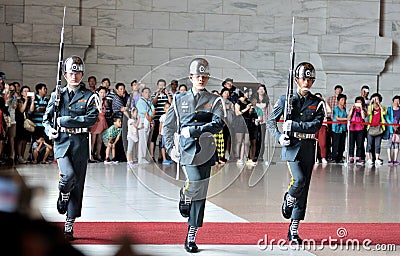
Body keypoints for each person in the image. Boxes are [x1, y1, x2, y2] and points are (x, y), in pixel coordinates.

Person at [163, 58, 224, 253]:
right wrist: (171, 147)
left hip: (206, 150)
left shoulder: (214, 100)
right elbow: (169, 125)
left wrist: (195, 130)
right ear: (191, 77)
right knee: (195, 183)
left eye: (204, 76)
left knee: (202, 193)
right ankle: (185, 193)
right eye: (198, 76)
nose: (201, 79)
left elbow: (217, 124)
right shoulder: (179, 99)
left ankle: (191, 235)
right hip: (186, 149)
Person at [43, 55, 99, 241]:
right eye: (70, 72)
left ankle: (69, 225)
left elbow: (91, 119)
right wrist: (50, 129)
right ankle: (63, 194)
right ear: (65, 74)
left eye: (77, 72)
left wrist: (66, 120)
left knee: (78, 184)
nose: (74, 76)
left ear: (82, 74)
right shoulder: (56, 95)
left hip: (80, 143)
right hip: (62, 142)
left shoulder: (90, 96)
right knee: (68, 176)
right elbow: (47, 118)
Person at [267, 62, 324, 244]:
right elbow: (270, 121)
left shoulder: (317, 102)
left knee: (304, 187)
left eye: (309, 79)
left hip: (308, 146)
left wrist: (295, 125)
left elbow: (316, 125)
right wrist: (278, 137)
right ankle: (289, 198)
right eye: (303, 78)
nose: (306, 82)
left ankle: (293, 229)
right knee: (298, 180)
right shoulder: (286, 100)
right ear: (296, 80)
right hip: (291, 146)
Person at [150, 79, 172, 162]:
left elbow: (171, 103)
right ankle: (152, 155)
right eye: (160, 85)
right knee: (154, 137)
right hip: (156, 118)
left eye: (163, 85)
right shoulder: (154, 94)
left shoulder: (168, 94)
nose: (161, 87)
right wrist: (157, 94)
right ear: (157, 86)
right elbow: (153, 103)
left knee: (162, 139)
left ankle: (161, 156)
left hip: (166, 119)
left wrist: (167, 94)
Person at [366, 93, 386, 166]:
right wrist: (371, 103)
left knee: (377, 145)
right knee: (369, 144)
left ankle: (377, 159)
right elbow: (369, 112)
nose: (375, 100)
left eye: (377, 99)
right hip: (371, 128)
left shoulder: (382, 107)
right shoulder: (370, 107)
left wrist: (379, 105)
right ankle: (368, 158)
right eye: (374, 99)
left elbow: (384, 113)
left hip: (379, 128)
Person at [89, 86, 108, 162]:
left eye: (104, 93)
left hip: (102, 121)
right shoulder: (95, 101)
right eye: (101, 92)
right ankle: (91, 155)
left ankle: (98, 155)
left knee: (100, 140)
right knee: (93, 140)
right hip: (96, 121)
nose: (103, 94)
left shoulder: (105, 102)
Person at [136, 87, 155, 164]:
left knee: (146, 139)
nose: (148, 94)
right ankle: (141, 158)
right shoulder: (140, 102)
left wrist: (151, 118)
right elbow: (145, 113)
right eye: (146, 92)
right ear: (142, 93)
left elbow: (153, 111)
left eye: (148, 92)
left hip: (148, 120)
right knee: (142, 140)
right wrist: (150, 119)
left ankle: (144, 156)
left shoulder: (149, 101)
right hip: (143, 120)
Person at [348, 96, 366, 164]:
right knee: (351, 144)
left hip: (360, 129)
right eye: (357, 103)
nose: (358, 104)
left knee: (360, 144)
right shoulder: (352, 110)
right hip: (352, 129)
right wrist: (352, 109)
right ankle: (351, 157)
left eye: (360, 103)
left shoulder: (363, 110)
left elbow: (363, 117)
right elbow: (349, 118)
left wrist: (361, 109)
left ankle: (359, 157)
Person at [330, 94, 348, 164]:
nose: (343, 101)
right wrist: (346, 119)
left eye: (344, 100)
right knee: (335, 143)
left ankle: (340, 157)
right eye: (342, 100)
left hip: (343, 128)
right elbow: (337, 118)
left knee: (342, 144)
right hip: (336, 128)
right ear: (338, 101)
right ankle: (334, 157)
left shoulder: (344, 109)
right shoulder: (336, 108)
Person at [314, 93, 330, 164]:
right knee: (313, 142)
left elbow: (329, 112)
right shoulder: (312, 104)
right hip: (313, 125)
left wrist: (324, 102)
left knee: (322, 143)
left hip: (322, 125)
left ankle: (323, 157)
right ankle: (315, 157)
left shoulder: (323, 105)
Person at [385, 95, 400, 165]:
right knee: (389, 144)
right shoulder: (389, 109)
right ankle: (389, 159)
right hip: (391, 129)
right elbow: (387, 117)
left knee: (396, 144)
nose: (396, 102)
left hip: (398, 129)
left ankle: (395, 159)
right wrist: (392, 124)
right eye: (395, 101)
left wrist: (397, 125)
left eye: (398, 101)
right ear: (393, 101)